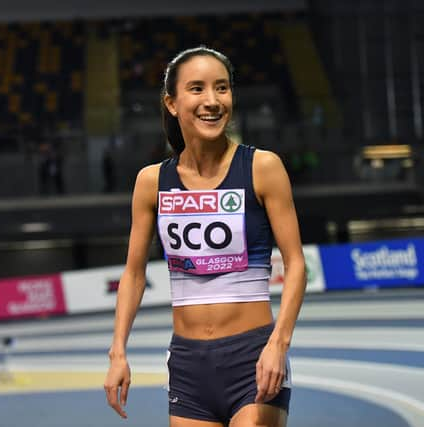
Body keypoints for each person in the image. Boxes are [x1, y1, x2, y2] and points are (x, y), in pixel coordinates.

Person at [104, 46, 306, 427]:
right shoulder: (151, 183)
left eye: (222, 88)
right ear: (172, 103)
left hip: (253, 357)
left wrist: (278, 345)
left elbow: (296, 265)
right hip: (188, 365)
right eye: (197, 89)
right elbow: (133, 274)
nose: (212, 101)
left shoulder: (262, 168)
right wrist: (118, 352)